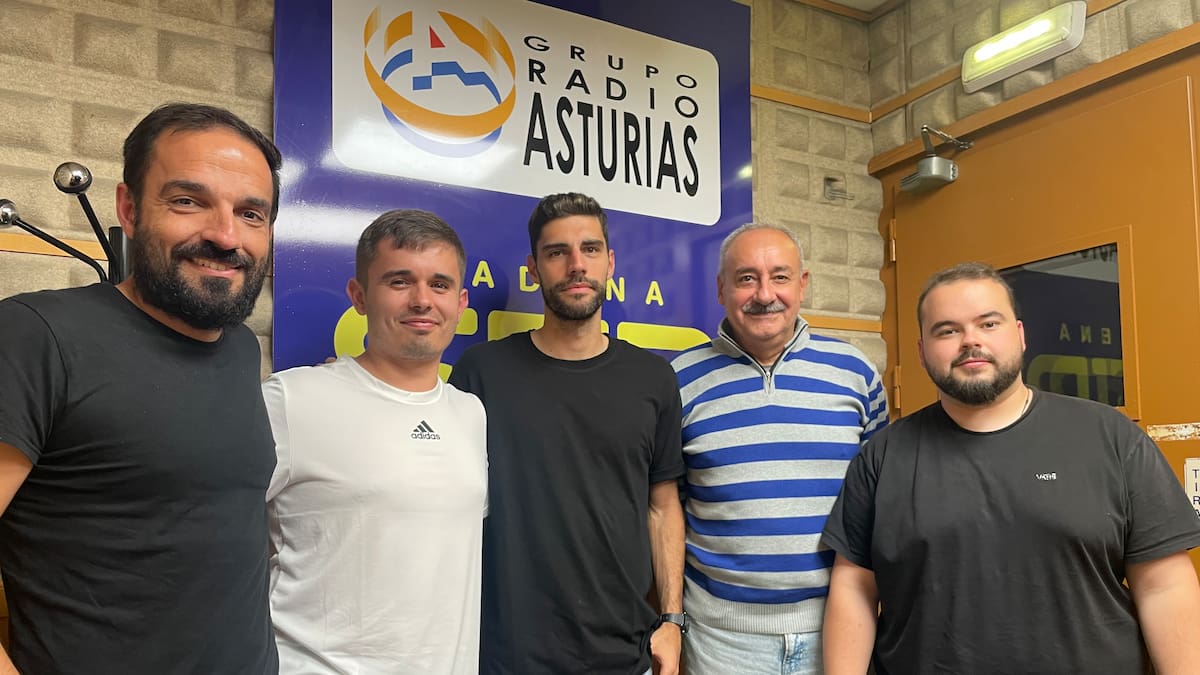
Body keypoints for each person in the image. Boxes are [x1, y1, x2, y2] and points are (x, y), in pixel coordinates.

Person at [0, 102, 281, 673]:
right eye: (188, 201)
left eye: (252, 214)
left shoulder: (237, 348)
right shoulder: (36, 335)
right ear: (128, 209)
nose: (226, 236)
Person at [822, 261, 1200, 675]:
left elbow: (1165, 585)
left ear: (1019, 336)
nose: (970, 341)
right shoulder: (882, 456)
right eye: (947, 330)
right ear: (921, 351)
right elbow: (854, 587)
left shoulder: (1110, 436)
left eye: (988, 324)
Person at [448, 192, 686, 675]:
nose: (576, 265)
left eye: (590, 249)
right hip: (509, 654)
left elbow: (662, 507)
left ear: (610, 263)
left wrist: (672, 619)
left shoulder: (653, 378)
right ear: (533, 268)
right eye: (557, 252)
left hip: (626, 651)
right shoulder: (483, 372)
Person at [263, 209, 486, 674]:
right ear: (359, 296)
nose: (422, 301)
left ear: (461, 302)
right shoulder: (290, 399)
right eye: (399, 282)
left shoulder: (470, 413)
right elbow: (207, 540)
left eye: (440, 285)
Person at [670, 223, 888, 674]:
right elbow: (670, 508)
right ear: (721, 289)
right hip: (721, 640)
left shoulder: (855, 373)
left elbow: (882, 502)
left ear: (803, 284)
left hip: (840, 629)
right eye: (746, 278)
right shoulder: (677, 381)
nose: (764, 293)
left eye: (780, 276)